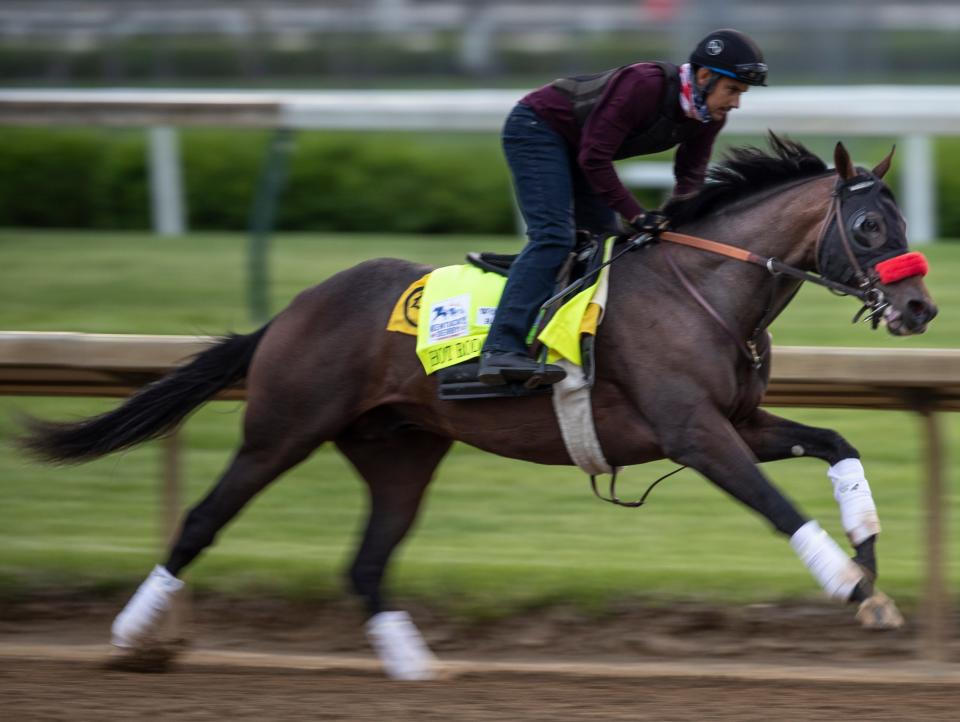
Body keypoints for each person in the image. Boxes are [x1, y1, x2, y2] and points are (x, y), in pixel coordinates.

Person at [477, 28, 767, 387]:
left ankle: (558, 303)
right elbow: (594, 158)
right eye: (733, 90)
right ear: (705, 77)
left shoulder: (709, 115)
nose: (736, 102)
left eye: (741, 93)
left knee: (608, 242)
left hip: (581, 148)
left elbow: (689, 176)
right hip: (538, 129)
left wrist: (683, 223)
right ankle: (500, 348)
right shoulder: (643, 85)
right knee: (554, 237)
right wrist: (636, 213)